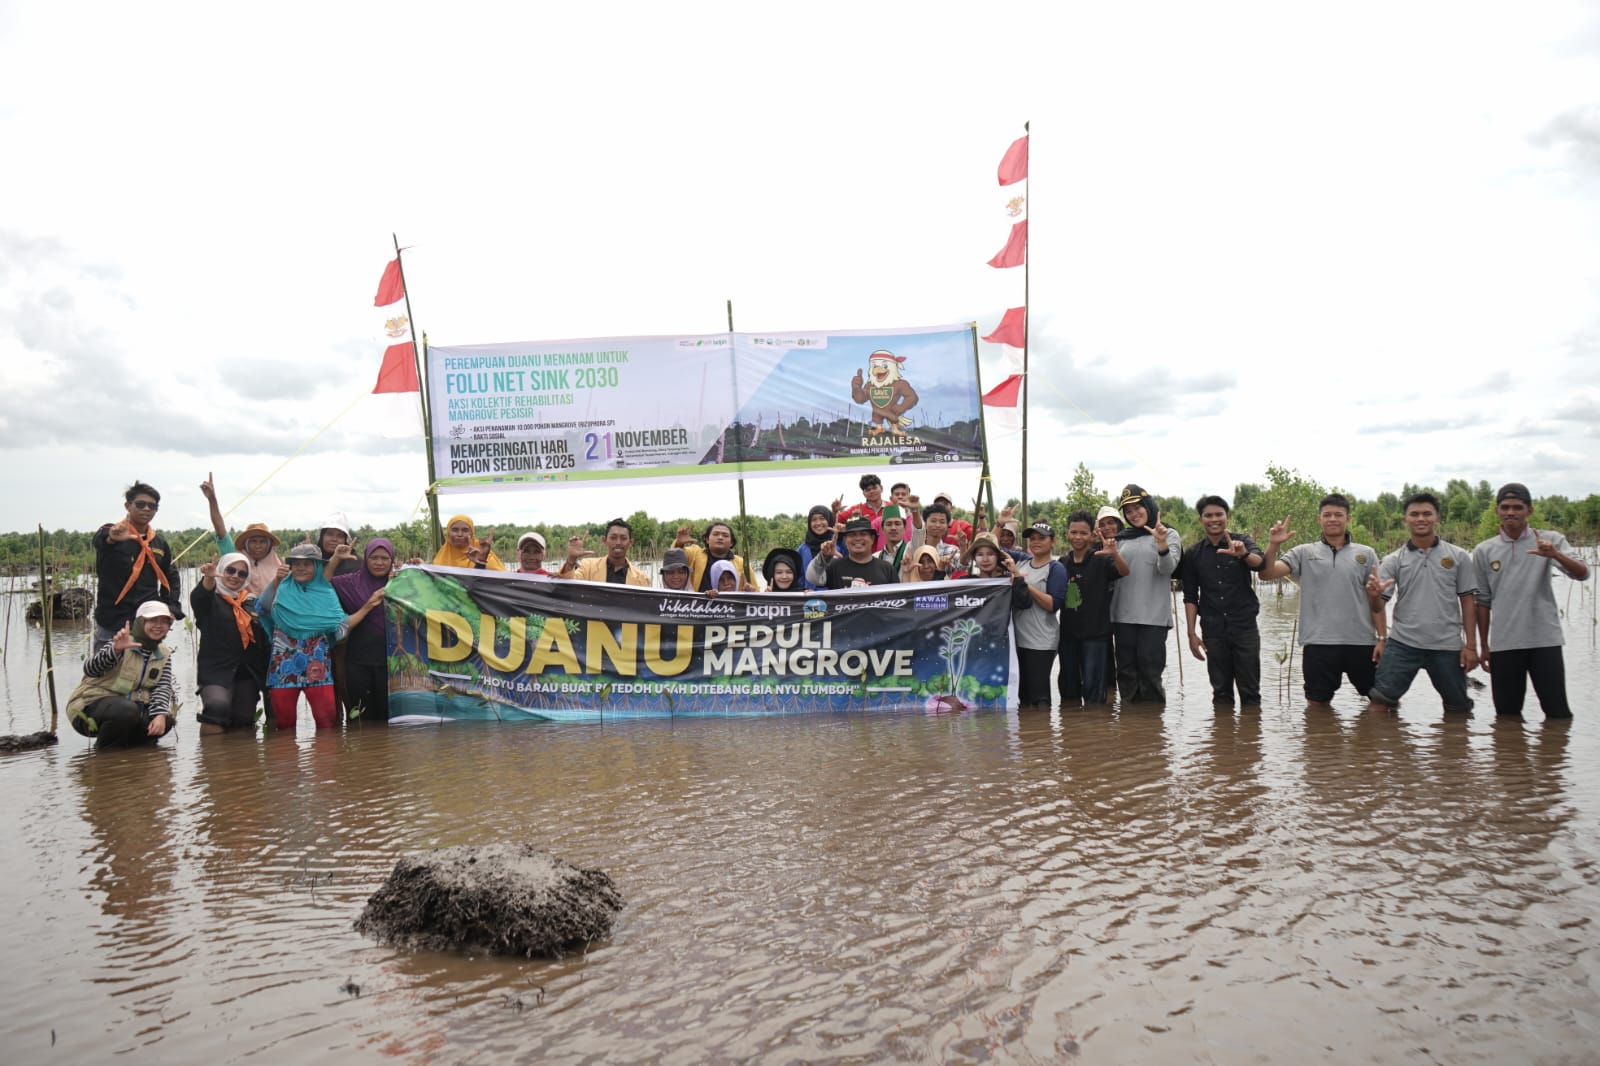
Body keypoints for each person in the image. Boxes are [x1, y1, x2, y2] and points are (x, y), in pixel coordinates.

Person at [1471, 482, 1590, 719]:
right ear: (1497, 511)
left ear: (1529, 511)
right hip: (1505, 644)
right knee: (1506, 717)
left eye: (1517, 507)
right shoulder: (1484, 550)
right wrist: (1484, 646)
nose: (1511, 512)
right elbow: (1482, 602)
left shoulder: (1549, 541)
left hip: (1545, 641)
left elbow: (1582, 573)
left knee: (1558, 714)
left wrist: (1555, 554)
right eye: (1505, 507)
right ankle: (1510, 757)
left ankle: (1555, 755)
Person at [1258, 494, 1388, 708]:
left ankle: (1368, 742)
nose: (1333, 519)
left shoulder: (1366, 554)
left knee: (1382, 703)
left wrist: (1382, 638)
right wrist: (1273, 545)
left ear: (1349, 519)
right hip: (1318, 643)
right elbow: (1267, 573)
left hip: (1362, 642)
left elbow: (1376, 599)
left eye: (1339, 514)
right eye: (1327, 515)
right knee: (1317, 709)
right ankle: (1323, 743)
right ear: (1320, 519)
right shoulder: (1304, 552)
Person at [1365, 492, 1479, 714]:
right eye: (1414, 514)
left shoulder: (1458, 556)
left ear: (1438, 518)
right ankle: (1377, 748)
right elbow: (1379, 607)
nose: (1421, 519)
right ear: (1405, 520)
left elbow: (1467, 600)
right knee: (1378, 704)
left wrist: (1471, 646)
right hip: (1403, 643)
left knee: (1458, 710)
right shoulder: (1393, 560)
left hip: (1447, 645)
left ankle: (1456, 748)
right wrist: (1373, 596)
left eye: (1427, 514)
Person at [256, 543, 385, 731]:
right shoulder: (280, 588)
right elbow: (263, 608)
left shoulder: (326, 593)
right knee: (284, 726)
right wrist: (275, 581)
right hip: (283, 669)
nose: (300, 568)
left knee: (327, 724)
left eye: (307, 564)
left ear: (316, 567)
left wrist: (368, 605)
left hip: (317, 669)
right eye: (296, 563)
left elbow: (342, 626)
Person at [1180, 496, 1267, 708]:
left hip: (1244, 627)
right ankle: (1223, 739)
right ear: (1201, 520)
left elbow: (1260, 564)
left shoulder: (1243, 541)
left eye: (1219, 514)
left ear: (1227, 516)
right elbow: (1190, 596)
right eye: (1208, 515)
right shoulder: (1193, 554)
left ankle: (1250, 740)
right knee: (1220, 693)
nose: (1214, 519)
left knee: (1251, 693)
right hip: (1213, 630)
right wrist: (1191, 634)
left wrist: (1243, 554)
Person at [66, 600, 177, 746]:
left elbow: (162, 687)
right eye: (153, 620)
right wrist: (115, 650)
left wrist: (160, 715)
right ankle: (104, 755)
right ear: (140, 622)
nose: (158, 625)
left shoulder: (163, 653)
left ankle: (131, 760)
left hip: (130, 709)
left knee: (164, 720)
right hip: (89, 707)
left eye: (164, 621)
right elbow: (90, 669)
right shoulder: (121, 642)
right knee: (126, 711)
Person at [1110, 484, 1181, 704]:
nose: (1134, 514)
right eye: (1128, 511)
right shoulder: (1120, 539)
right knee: (1126, 675)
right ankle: (1130, 729)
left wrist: (1161, 544)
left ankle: (1152, 730)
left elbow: (1168, 569)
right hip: (1122, 618)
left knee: (1151, 674)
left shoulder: (1168, 533)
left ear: (1149, 506)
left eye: (1138, 507)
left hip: (1154, 619)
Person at [92, 481, 183, 647]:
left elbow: (170, 577)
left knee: (148, 670)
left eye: (152, 506)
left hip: (147, 622)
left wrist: (170, 608)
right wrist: (112, 537)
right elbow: (101, 540)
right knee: (105, 670)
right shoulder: (114, 531)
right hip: (112, 621)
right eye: (140, 504)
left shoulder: (158, 543)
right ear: (127, 505)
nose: (147, 509)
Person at [190, 551, 268, 733]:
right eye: (230, 570)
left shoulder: (250, 602)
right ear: (221, 570)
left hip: (247, 671)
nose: (235, 576)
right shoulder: (211, 600)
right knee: (217, 707)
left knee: (243, 719)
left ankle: (236, 760)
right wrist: (209, 579)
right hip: (217, 669)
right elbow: (199, 598)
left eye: (242, 573)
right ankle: (210, 759)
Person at [1058, 510, 1127, 707]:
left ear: (1092, 535)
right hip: (1068, 635)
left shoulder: (1101, 559)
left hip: (1096, 635)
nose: (1078, 537)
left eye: (1083, 533)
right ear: (1067, 534)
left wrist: (1114, 554)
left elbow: (1124, 571)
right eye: (1074, 532)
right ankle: (1071, 732)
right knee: (1068, 690)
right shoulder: (1062, 563)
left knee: (1094, 692)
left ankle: (1095, 730)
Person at [330, 539, 396, 723]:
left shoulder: (400, 584)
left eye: (385, 558)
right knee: (360, 719)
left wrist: (417, 568)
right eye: (374, 557)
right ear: (365, 559)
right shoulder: (350, 583)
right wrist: (335, 559)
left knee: (387, 718)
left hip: (390, 663)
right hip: (358, 661)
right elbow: (323, 584)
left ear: (392, 560)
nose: (379, 562)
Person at [1009, 521, 1068, 709]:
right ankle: (1029, 736)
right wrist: (1001, 522)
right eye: (1032, 538)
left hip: (1041, 642)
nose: (1035, 542)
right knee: (1023, 697)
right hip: (1018, 640)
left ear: (1053, 541)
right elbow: (993, 546)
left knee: (1040, 697)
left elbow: (1052, 604)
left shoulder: (1056, 568)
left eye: (1041, 538)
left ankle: (1043, 735)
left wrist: (1023, 583)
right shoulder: (1022, 561)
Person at [199, 473, 282, 594]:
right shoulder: (235, 556)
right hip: (239, 609)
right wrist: (212, 499)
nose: (258, 545)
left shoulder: (279, 563)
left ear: (269, 544)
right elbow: (219, 526)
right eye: (253, 541)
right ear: (246, 544)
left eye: (262, 541)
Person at [805, 516, 899, 588]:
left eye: (863, 534)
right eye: (852, 534)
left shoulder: (887, 568)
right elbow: (812, 578)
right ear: (845, 540)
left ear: (872, 538)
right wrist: (823, 556)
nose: (858, 538)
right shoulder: (834, 566)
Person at [557, 518, 653, 585]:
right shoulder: (588, 567)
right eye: (613, 537)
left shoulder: (641, 579)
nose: (618, 542)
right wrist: (571, 558)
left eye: (623, 538)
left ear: (630, 542)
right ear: (604, 540)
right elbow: (566, 586)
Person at [675, 521, 755, 591]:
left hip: (730, 606)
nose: (720, 537)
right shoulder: (694, 553)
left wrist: (750, 592)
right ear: (707, 539)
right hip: (698, 606)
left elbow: (755, 591)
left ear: (731, 542)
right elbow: (674, 559)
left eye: (725, 535)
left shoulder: (742, 563)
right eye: (716, 534)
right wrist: (679, 544)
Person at [433, 515, 506, 570]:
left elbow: (501, 578)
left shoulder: (482, 552)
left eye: (465, 530)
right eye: (455, 530)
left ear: (472, 533)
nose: (459, 534)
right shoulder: (442, 555)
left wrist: (480, 561)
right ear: (448, 533)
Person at [797, 505, 836, 591]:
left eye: (822, 518)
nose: (818, 523)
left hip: (835, 597)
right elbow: (796, 575)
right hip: (810, 598)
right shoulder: (802, 549)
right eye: (814, 520)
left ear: (829, 520)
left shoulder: (839, 544)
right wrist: (804, 588)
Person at [876, 505, 912, 570]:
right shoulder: (875, 558)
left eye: (897, 524)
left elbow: (919, 533)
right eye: (889, 524)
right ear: (882, 529)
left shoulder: (911, 551)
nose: (893, 528)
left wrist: (915, 511)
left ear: (904, 528)